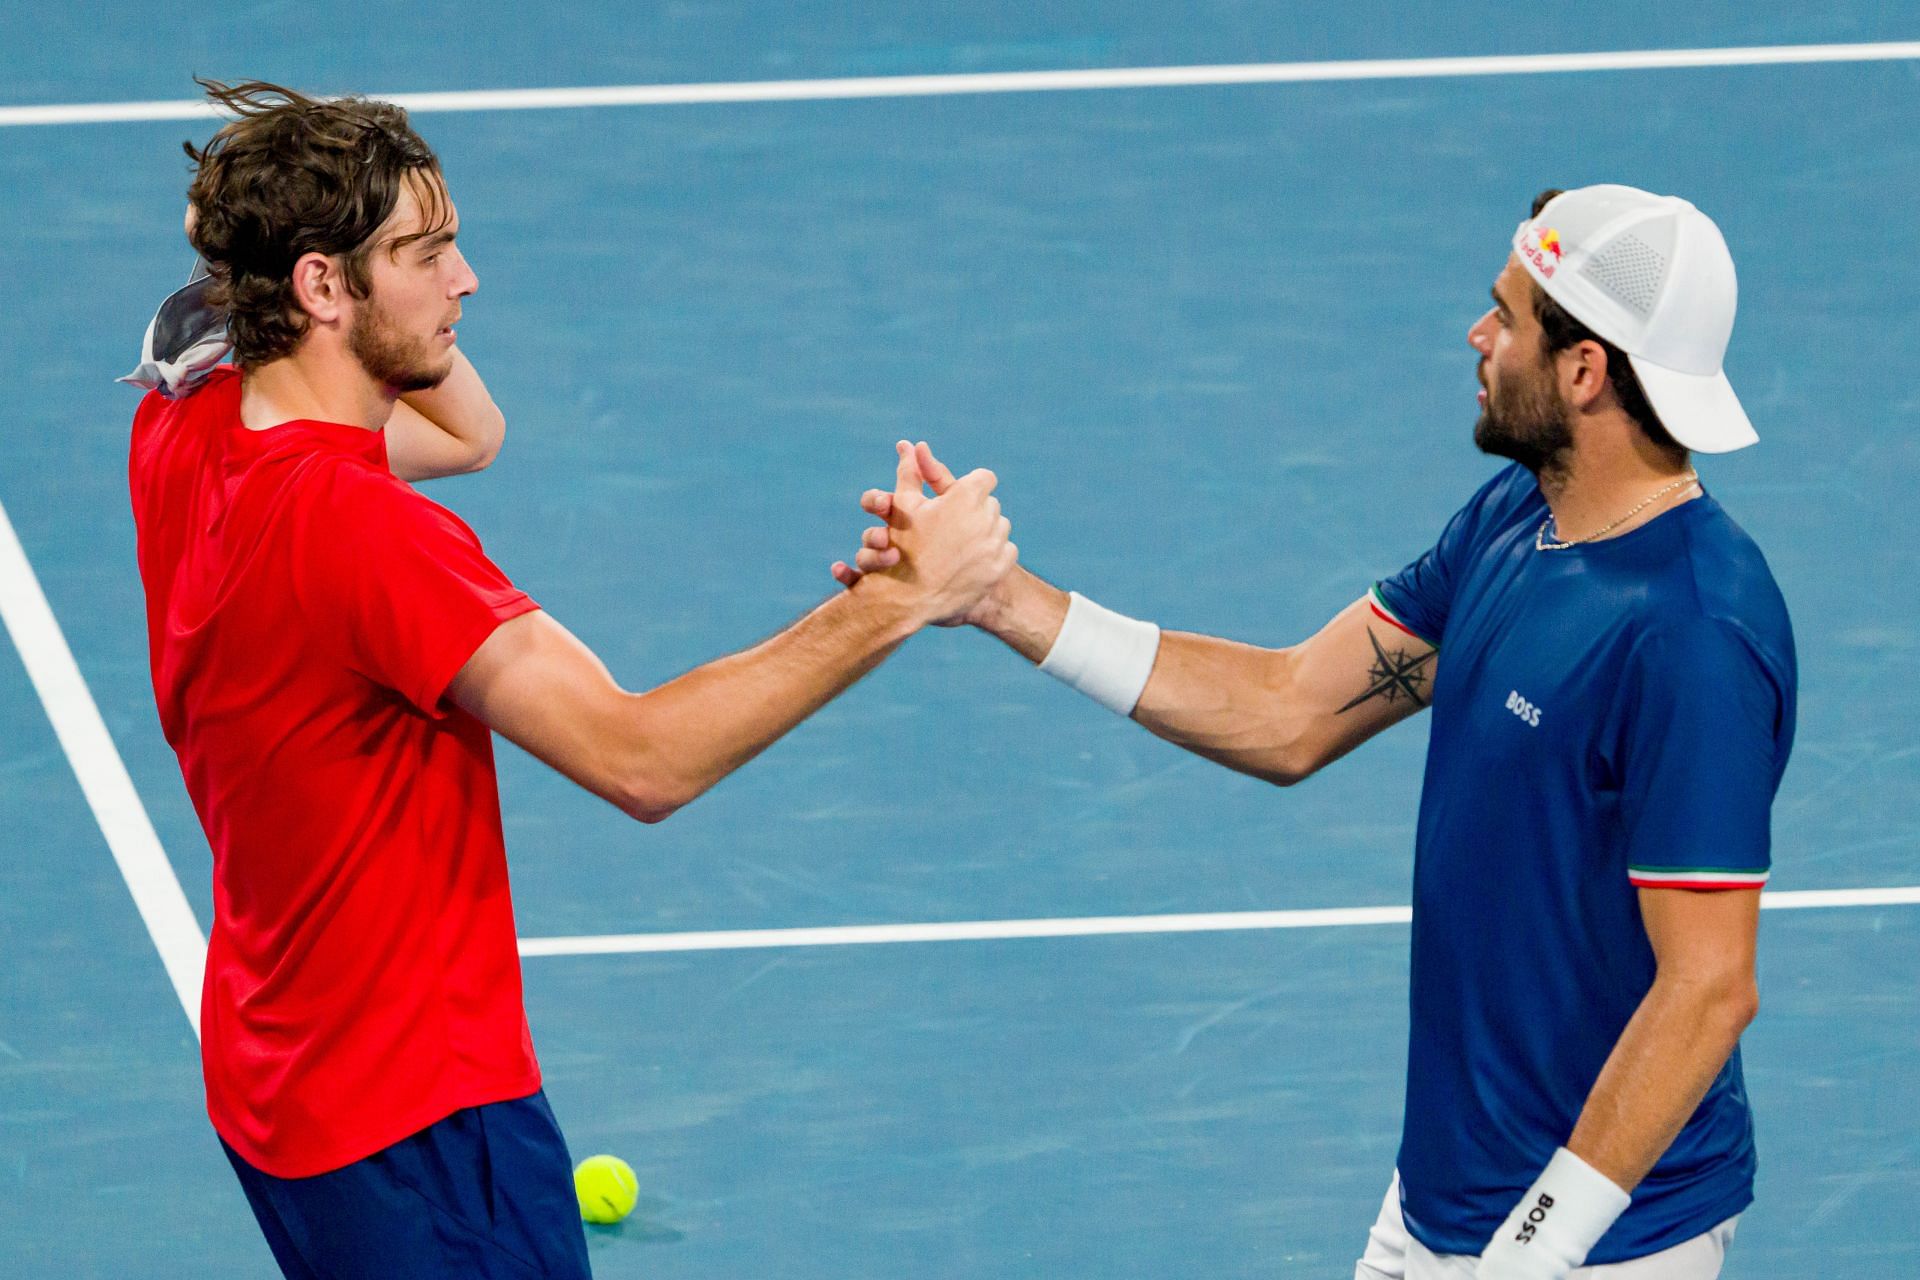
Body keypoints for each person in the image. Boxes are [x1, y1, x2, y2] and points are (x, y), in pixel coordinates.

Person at [127, 80, 1015, 1279]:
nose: (468, 281)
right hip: (423, 1124)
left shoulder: (185, 430)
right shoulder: (365, 537)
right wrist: (903, 600)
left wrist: (310, 243)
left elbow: (469, 435)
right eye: (425, 253)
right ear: (321, 287)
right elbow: (641, 756)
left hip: (279, 1080)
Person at [837, 185, 1795, 1279]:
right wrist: (1005, 599)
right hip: (1445, 1195)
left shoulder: (1693, 635)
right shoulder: (1518, 519)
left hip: (1600, 1236)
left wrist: (1540, 1245)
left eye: (1508, 315)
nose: (1478, 336)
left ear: (1584, 371)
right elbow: (1292, 705)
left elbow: (1709, 985)